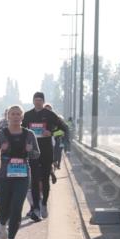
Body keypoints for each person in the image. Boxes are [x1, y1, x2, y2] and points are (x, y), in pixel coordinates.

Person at [0, 105, 40, 239]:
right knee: (4, 208)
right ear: (8, 116)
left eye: (18, 114)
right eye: (12, 114)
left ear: (22, 117)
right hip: (3, 175)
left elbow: (36, 154)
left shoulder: (29, 134)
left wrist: (30, 150)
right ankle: (2, 223)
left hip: (22, 175)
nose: (15, 116)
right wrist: (1, 151)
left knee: (17, 207)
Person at [23, 93, 70, 221]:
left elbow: (65, 129)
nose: (38, 102)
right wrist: (25, 143)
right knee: (34, 180)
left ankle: (44, 204)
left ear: (43, 102)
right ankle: (36, 208)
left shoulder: (50, 115)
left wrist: (52, 133)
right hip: (33, 152)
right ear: (33, 101)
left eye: (40, 100)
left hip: (46, 151)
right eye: (36, 100)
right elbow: (21, 131)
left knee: (44, 179)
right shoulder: (27, 115)